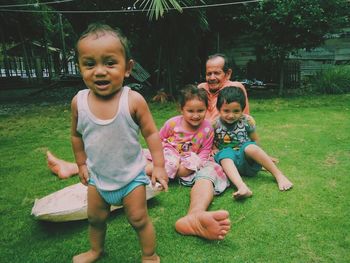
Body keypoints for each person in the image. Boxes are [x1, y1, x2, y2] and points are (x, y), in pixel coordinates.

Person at [70, 23, 168, 263]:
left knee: (138, 218)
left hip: (130, 178)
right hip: (98, 178)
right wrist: (81, 164)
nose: (100, 71)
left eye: (110, 63)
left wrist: (159, 166)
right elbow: (76, 136)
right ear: (80, 67)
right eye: (90, 64)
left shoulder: (133, 100)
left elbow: (152, 134)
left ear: (127, 68)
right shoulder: (78, 102)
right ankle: (96, 250)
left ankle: (150, 256)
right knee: (95, 218)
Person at [212, 86, 293, 200]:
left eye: (236, 111)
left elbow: (254, 140)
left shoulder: (247, 121)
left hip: (246, 160)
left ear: (242, 110)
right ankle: (242, 187)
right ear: (219, 109)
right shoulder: (214, 124)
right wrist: (214, 148)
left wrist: (265, 158)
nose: (231, 115)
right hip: (229, 165)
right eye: (226, 111)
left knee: (250, 147)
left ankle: (279, 175)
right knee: (225, 154)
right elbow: (211, 141)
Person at [198, 53, 250, 123]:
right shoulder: (201, 88)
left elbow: (244, 120)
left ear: (228, 74)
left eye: (217, 73)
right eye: (209, 74)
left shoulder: (235, 88)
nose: (212, 78)